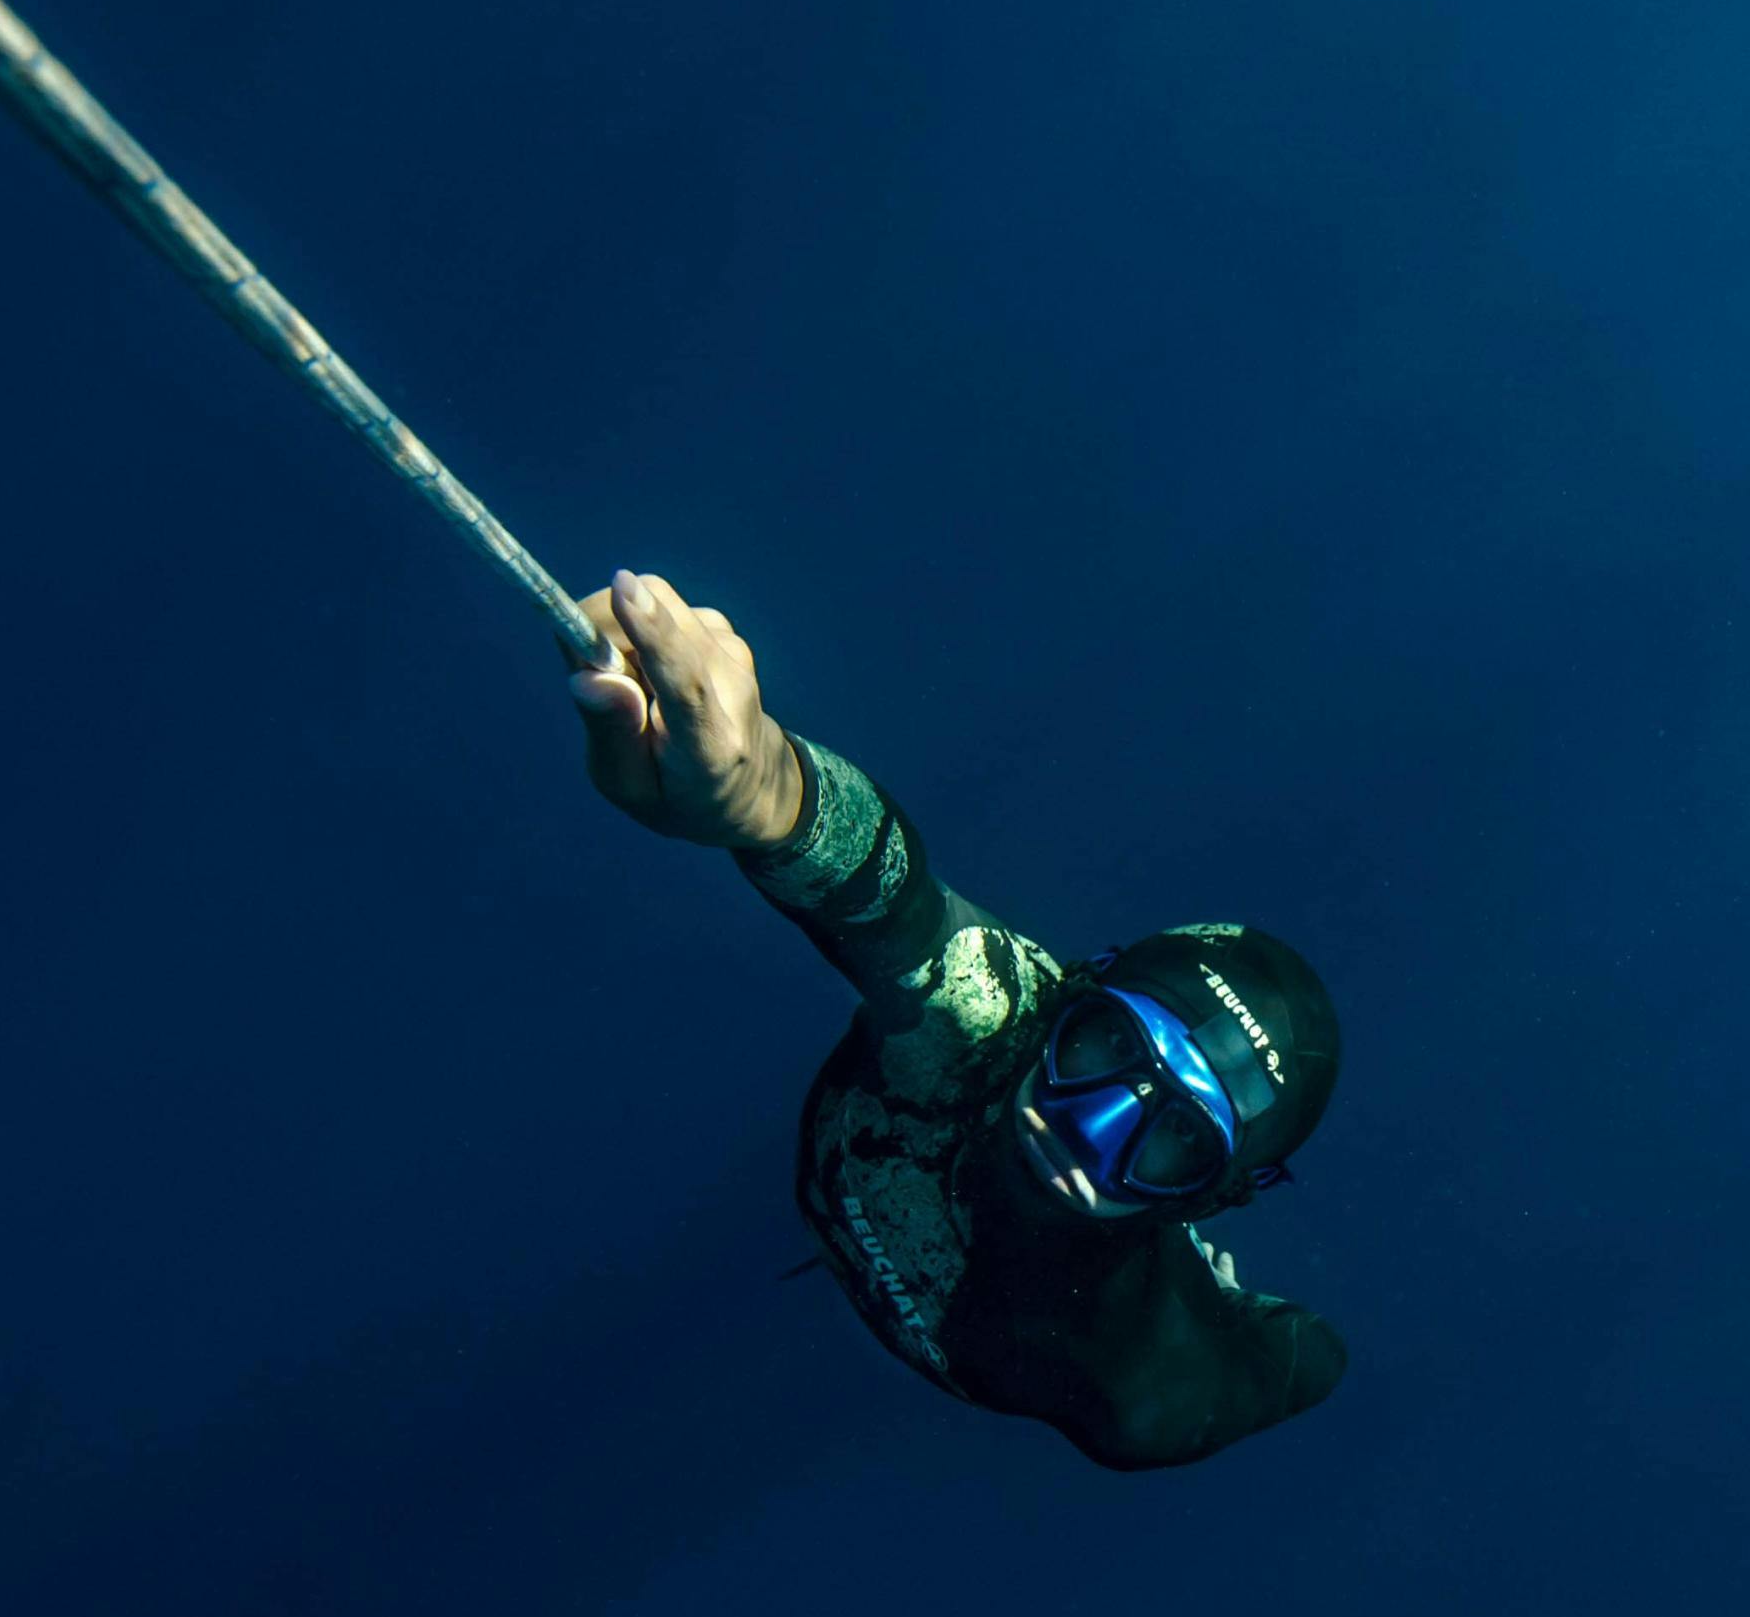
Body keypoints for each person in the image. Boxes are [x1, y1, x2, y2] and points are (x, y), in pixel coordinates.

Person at [560, 566, 1350, 1471]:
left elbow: (1305, 1364)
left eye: (1174, 1140)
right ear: (1066, 1002)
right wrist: (753, 785)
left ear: (1204, 1199)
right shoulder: (986, 1012)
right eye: (1104, 1045)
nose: (1085, 1130)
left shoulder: (1148, 1388)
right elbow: (886, 894)